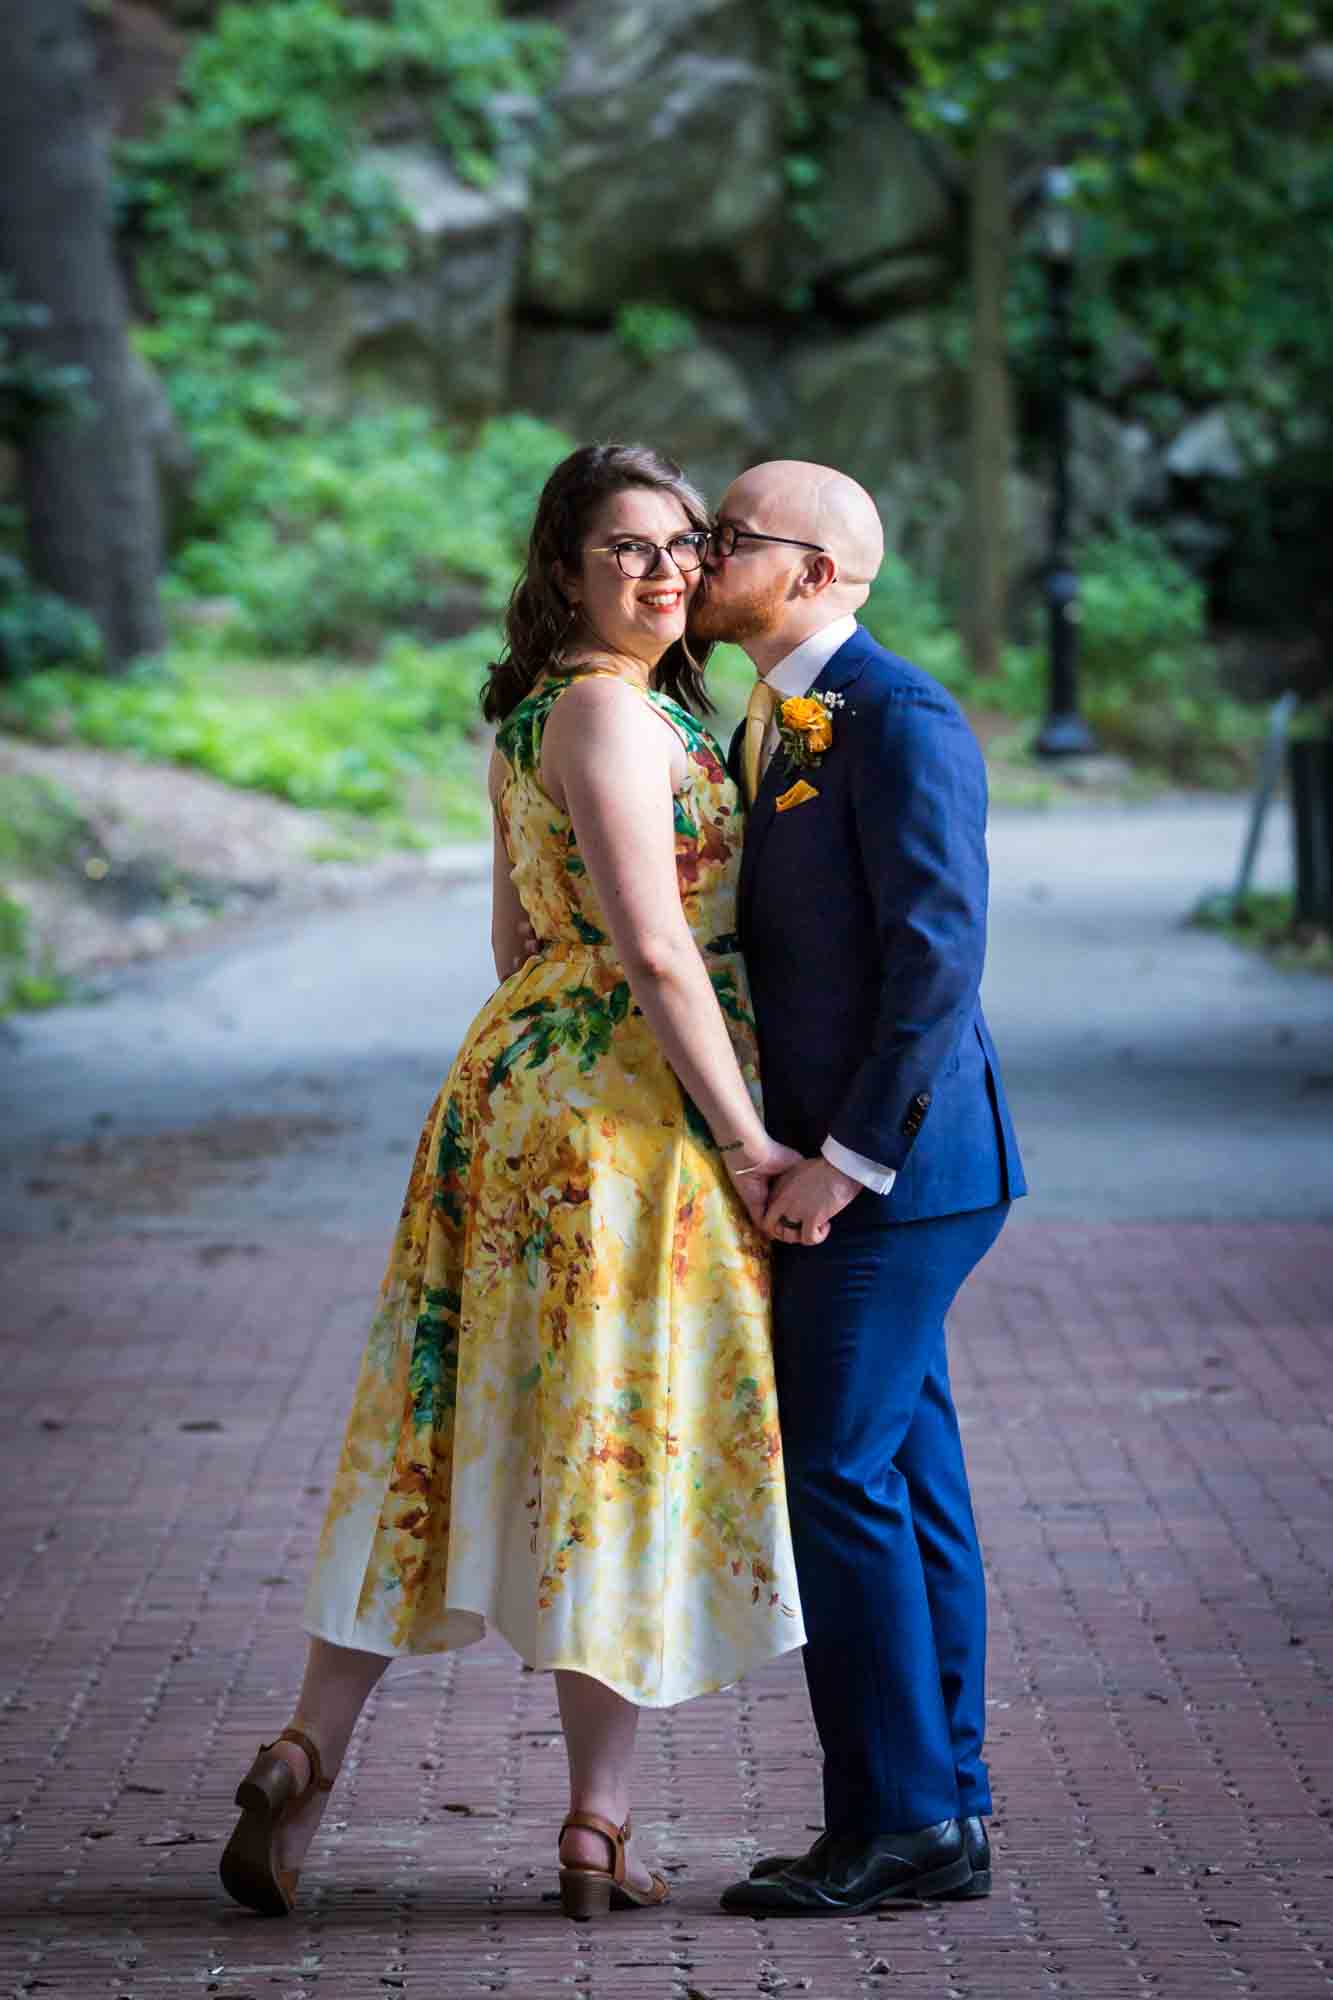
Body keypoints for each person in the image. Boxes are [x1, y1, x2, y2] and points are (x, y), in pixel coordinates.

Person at [219, 443, 806, 1924]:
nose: (666, 571)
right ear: (562, 570)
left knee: (439, 1416)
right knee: (609, 1431)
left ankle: (307, 1752)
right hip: (619, 1113)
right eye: (628, 549)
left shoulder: (544, 713)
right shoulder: (614, 718)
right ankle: (599, 1826)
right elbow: (655, 946)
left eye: (683, 545)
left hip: (523, 1082)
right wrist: (743, 1138)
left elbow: (509, 944)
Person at [688, 460, 1026, 1918]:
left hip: (899, 1170)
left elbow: (937, 953)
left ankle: (891, 1822)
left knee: (832, 1473)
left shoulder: (898, 713)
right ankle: (936, 1806)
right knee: (900, 1475)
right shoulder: (788, 713)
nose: (698, 556)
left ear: (817, 571)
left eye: (727, 538)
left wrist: (843, 1161)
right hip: (878, 1165)